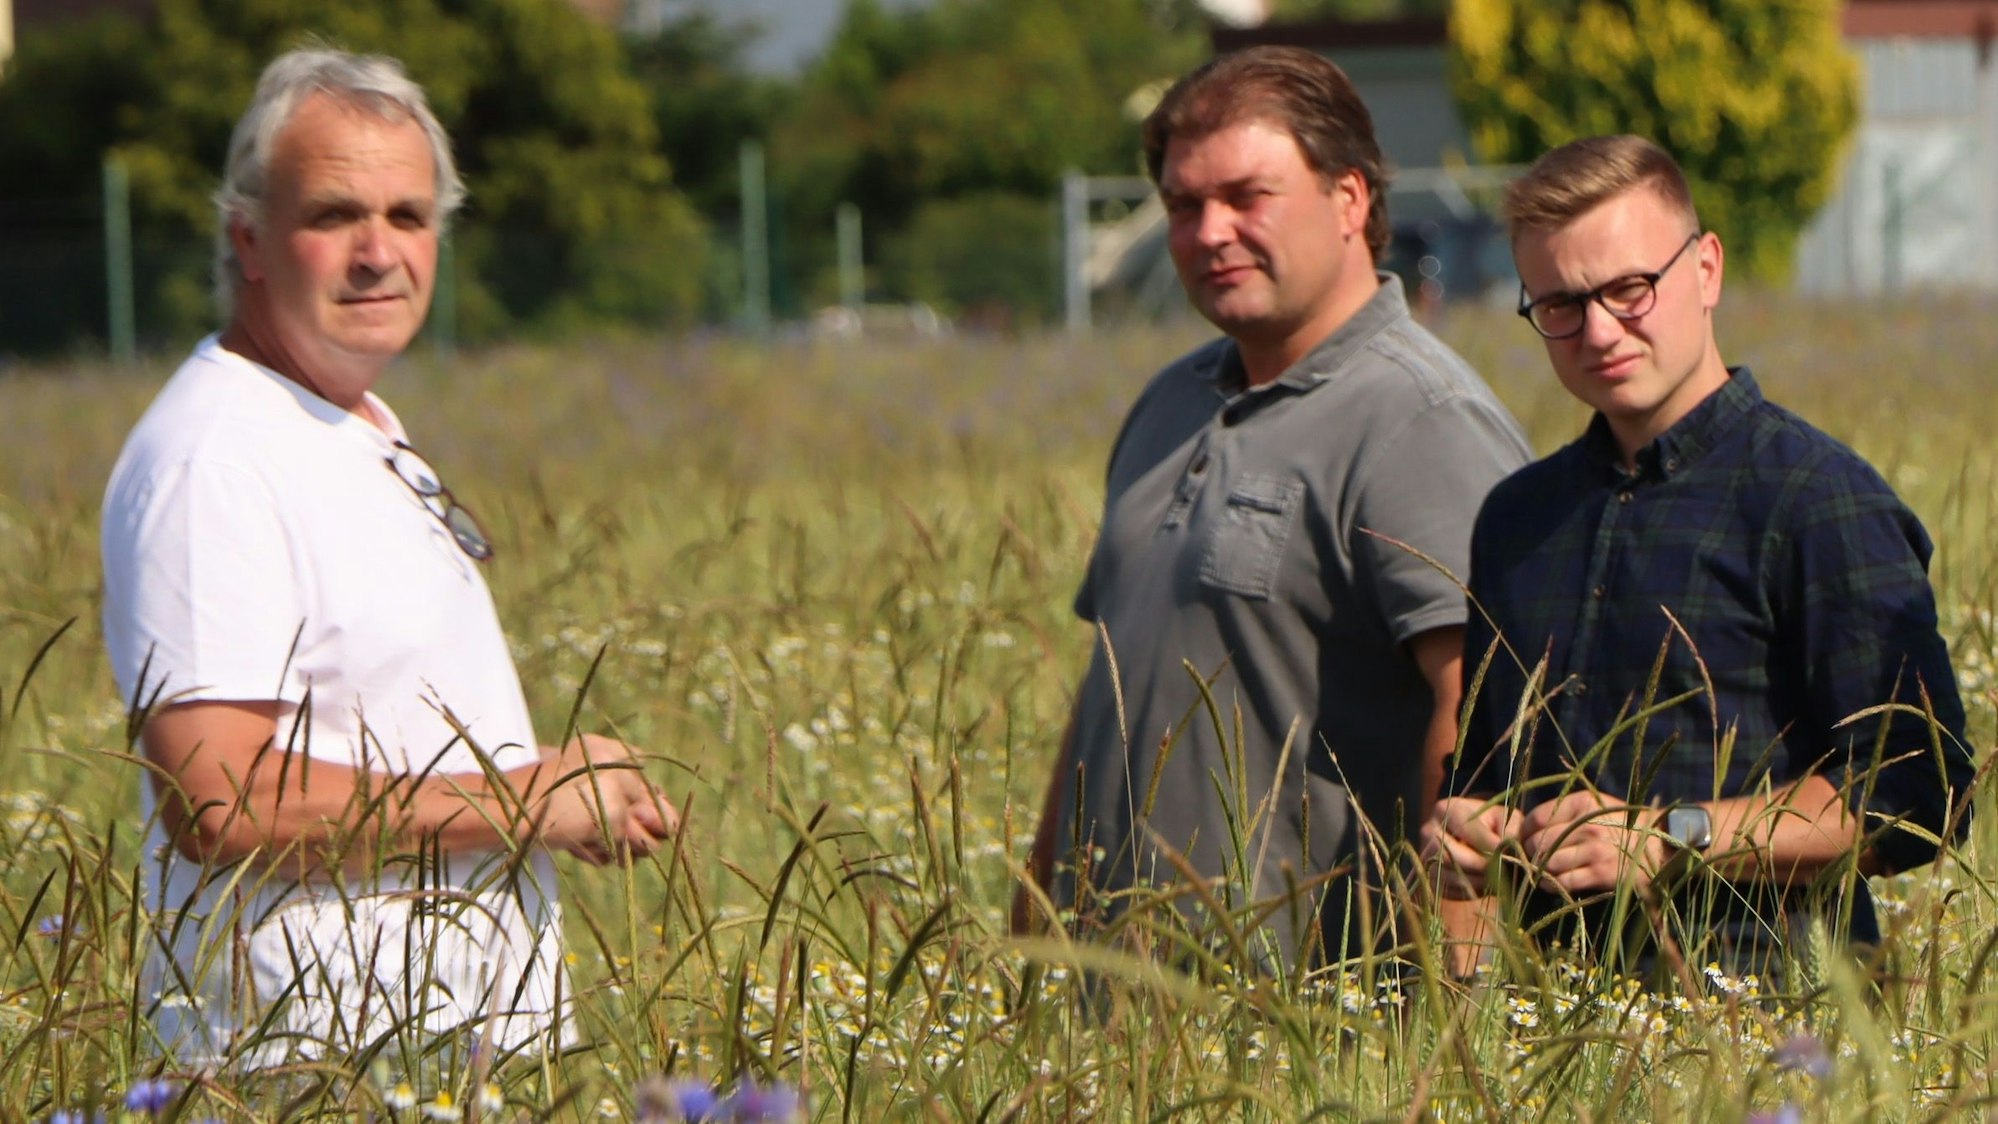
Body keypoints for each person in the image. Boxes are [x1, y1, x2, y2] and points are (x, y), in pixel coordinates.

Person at [100, 48, 677, 1065]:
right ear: (250, 241)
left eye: (409, 217)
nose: (379, 252)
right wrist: (525, 801)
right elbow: (217, 800)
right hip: (308, 1061)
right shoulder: (215, 461)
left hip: (426, 1055)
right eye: (333, 216)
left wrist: (559, 792)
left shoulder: (348, 419)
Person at [1014, 46, 1530, 969]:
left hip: (1304, 1026)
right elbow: (1112, 684)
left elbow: (1484, 728)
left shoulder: (1419, 419)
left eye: (1248, 196)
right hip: (1121, 1015)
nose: (1209, 231)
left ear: (1351, 200)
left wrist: (1457, 1040)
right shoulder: (1170, 404)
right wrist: (1034, 928)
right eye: (1183, 205)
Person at [1426, 135, 1974, 983]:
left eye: (1629, 288)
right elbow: (1486, 777)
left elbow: (1916, 800)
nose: (1599, 330)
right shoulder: (1518, 519)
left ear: (1707, 269)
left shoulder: (1818, 499)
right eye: (1560, 305)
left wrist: (1670, 838)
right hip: (1551, 1043)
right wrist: (1465, 838)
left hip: (1775, 1031)